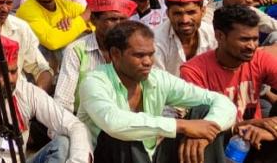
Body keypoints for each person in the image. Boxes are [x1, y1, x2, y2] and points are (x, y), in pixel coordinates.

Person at [77, 21, 235, 162]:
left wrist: (203, 134)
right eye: (139, 55)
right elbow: (113, 123)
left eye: (150, 55)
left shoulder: (157, 78)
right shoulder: (95, 81)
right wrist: (182, 125)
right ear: (116, 54)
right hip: (106, 156)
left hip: (151, 155)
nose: (147, 62)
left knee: (203, 111)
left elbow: (223, 102)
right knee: (126, 132)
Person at [0, 33, 92, 163]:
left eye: (13, 72)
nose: (10, 80)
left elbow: (74, 125)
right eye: (1, 73)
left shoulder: (25, 91)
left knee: (63, 145)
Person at [181, 5, 277, 162]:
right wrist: (254, 124)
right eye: (244, 39)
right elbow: (200, 125)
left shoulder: (259, 59)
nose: (252, 46)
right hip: (219, 141)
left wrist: (273, 129)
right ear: (220, 36)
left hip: (256, 138)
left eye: (255, 39)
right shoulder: (194, 71)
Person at [54, 0, 136, 113]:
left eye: (123, 19)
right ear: (93, 20)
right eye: (112, 19)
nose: (119, 25)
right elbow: (63, 101)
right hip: (83, 120)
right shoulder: (76, 50)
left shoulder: (134, 49)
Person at [154, 0, 216, 77]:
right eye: (177, 13)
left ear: (203, 12)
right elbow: (158, 82)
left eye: (191, 12)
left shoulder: (212, 34)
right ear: (168, 14)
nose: (185, 20)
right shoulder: (156, 40)